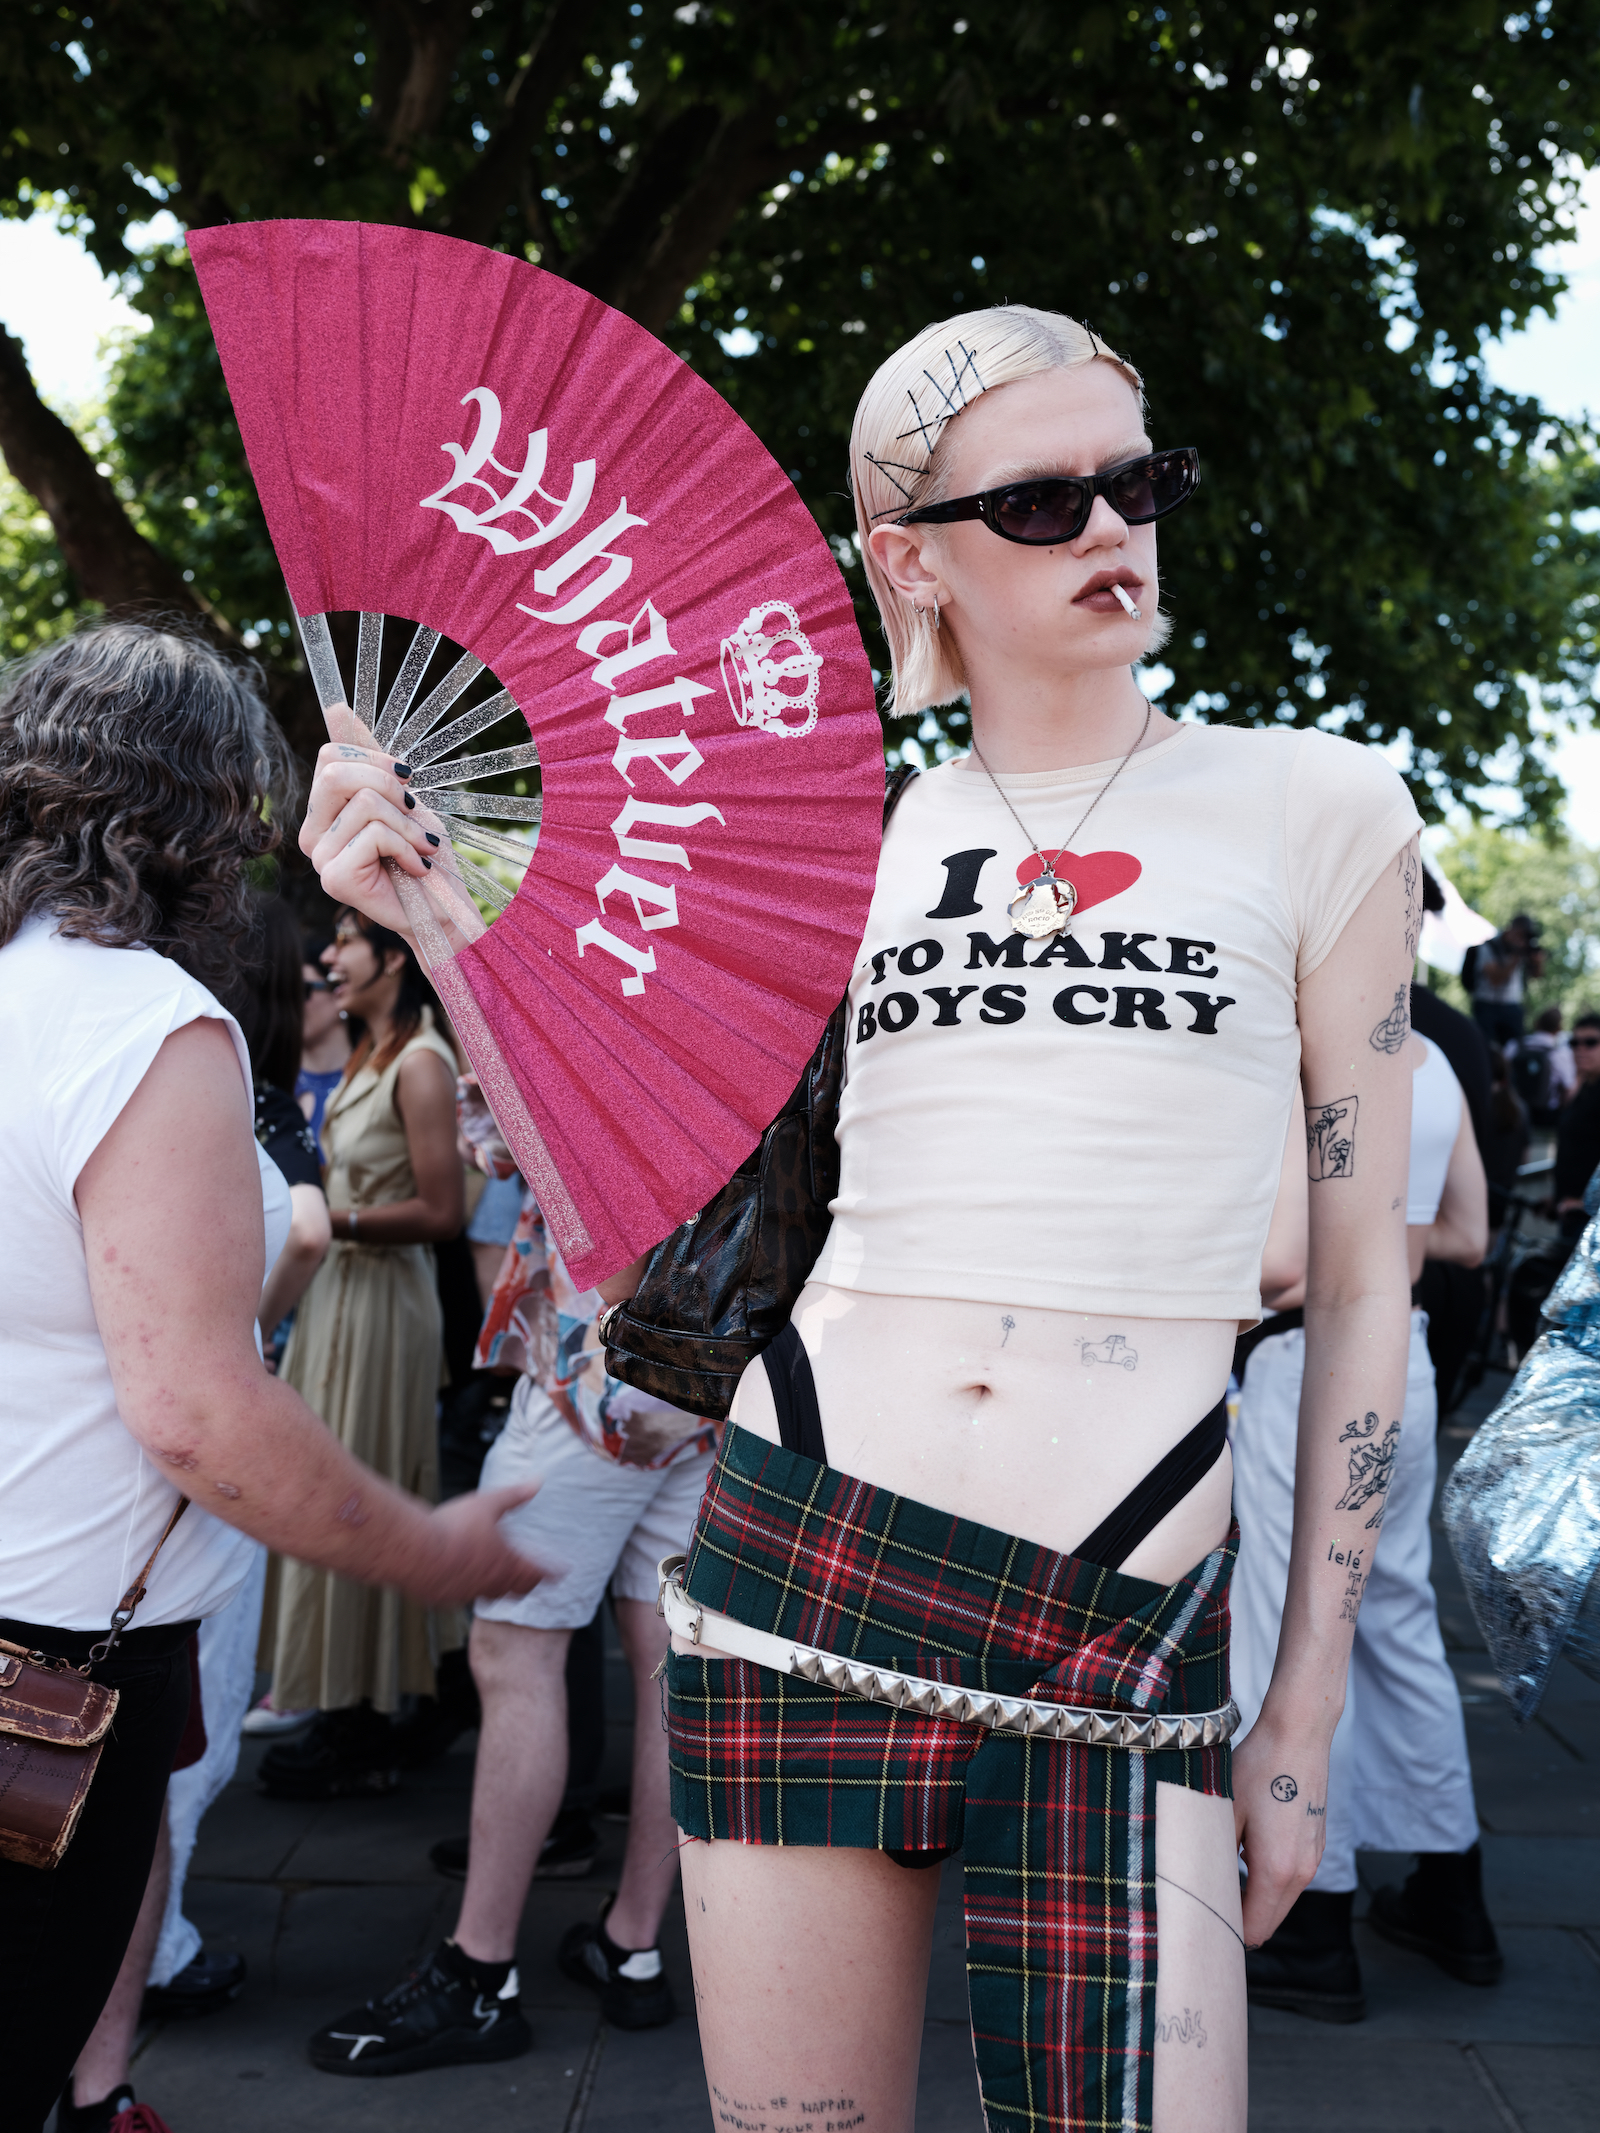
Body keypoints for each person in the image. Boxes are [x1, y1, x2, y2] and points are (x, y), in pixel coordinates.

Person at [296, 304, 1421, 2133]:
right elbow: (637, 1158)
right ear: (910, 558)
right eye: (1047, 502)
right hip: (797, 1555)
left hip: (1126, 1599)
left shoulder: (1315, 803)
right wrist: (421, 917)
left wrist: (1306, 1712)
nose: (1117, 530)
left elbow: (1366, 1280)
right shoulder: (836, 845)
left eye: (1140, 482)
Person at [0, 622, 544, 2133]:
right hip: (51, 1661)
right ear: (207, 808)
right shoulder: (141, 1025)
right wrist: (428, 1544)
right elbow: (194, 1408)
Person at [305, 1173, 717, 2074]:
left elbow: (604, 1249)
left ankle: (480, 1970)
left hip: (594, 1377)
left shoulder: (598, 1040)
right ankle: (633, 1944)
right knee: (668, 1674)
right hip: (704, 1384)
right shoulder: (752, 1046)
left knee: (514, 1658)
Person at [1231, 1029, 1498, 2023]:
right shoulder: (1431, 1061)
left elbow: (1287, 1272)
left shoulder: (1303, 1053)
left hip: (1313, 1365)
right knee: (1395, 1617)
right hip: (1409, 1357)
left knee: (1286, 1625)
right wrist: (1384, 1248)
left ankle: (1313, 1923)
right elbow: (1469, 1235)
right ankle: (1452, 1895)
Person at [257, 911, 466, 1798]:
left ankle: (370, 1713)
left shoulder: (420, 1062)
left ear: (393, 958)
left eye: (346, 942)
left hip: (382, 1299)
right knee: (333, 1486)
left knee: (363, 1483)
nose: (331, 959)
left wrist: (327, 1220)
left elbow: (444, 1211)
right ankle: (345, 1701)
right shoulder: (372, 1049)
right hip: (343, 1292)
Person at [296, 931, 351, 1154]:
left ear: (338, 990)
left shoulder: (373, 1077)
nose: (290, 1002)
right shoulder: (268, 1082)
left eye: (302, 990)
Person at [1552, 1010, 1600, 1240]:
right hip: (1571, 1215)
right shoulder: (1583, 1090)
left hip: (1591, 1223)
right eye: (1574, 1042)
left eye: (1590, 1042)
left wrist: (1585, 1203)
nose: (1580, 1049)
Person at [1465, 912, 1544, 1047]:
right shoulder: (1488, 948)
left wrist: (1537, 962)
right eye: (1520, 935)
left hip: (1512, 1005)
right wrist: (1515, 959)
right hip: (1486, 1005)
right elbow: (1495, 980)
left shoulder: (1523, 949)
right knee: (1485, 1047)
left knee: (1515, 1049)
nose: (1522, 940)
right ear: (1511, 930)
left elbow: (1537, 976)